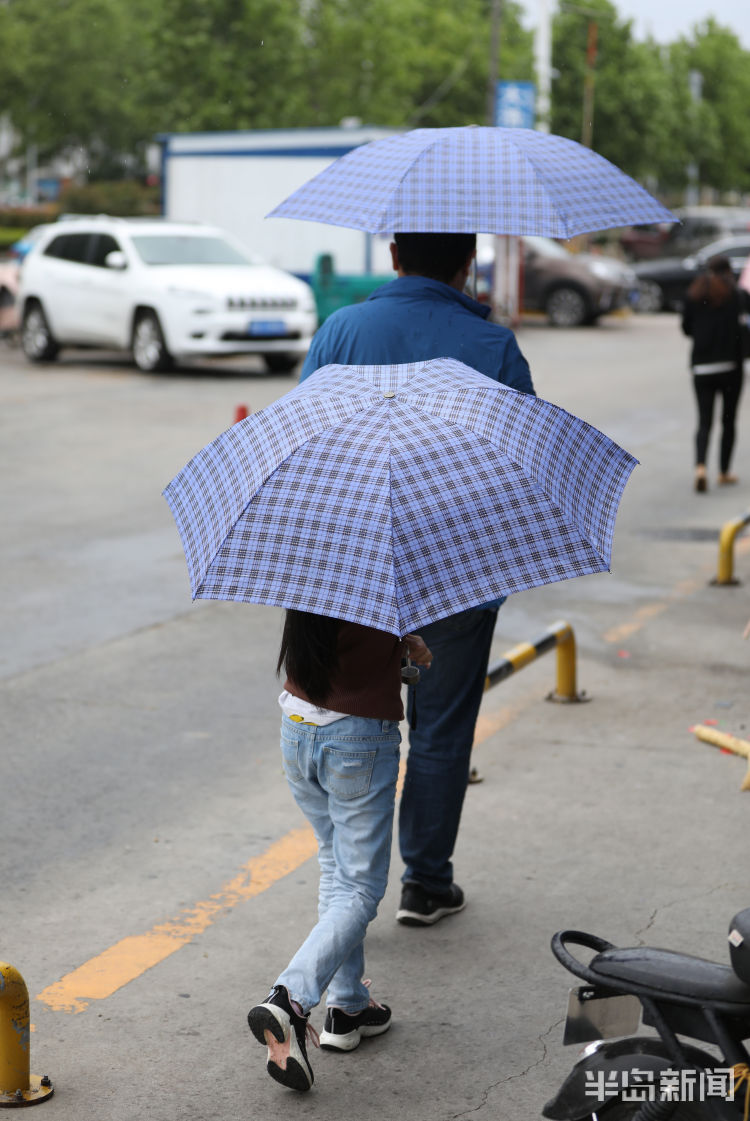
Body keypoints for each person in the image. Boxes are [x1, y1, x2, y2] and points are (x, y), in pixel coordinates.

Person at [299, 232, 535, 926]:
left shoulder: (341, 330)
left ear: (395, 256)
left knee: (352, 717)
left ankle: (347, 892)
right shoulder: (493, 346)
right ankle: (426, 882)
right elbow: (517, 463)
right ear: (466, 264)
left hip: (352, 559)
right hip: (458, 563)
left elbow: (306, 441)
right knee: (439, 728)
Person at [247, 610, 432, 1091]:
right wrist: (402, 643)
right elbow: (363, 641)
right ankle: (290, 997)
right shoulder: (379, 578)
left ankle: (348, 1007)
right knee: (361, 886)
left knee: (336, 865)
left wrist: (399, 641)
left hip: (297, 724)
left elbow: (341, 634)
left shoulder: (315, 559)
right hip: (356, 739)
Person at [681, 255, 749, 493]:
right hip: (730, 368)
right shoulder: (737, 295)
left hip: (702, 367)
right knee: (728, 421)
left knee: (704, 421)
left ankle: (700, 467)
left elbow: (686, 328)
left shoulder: (695, 294)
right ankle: (723, 471)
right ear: (729, 271)